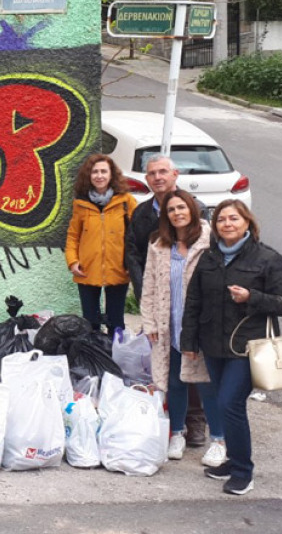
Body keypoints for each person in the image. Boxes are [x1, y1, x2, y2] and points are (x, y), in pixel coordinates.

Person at [181, 199, 282, 496]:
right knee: (221, 403)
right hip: (213, 343)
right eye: (221, 220)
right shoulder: (209, 257)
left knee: (231, 403)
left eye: (233, 218)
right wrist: (188, 341)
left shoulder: (269, 258)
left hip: (247, 347)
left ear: (247, 222)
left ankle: (243, 471)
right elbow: (194, 301)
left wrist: (252, 297)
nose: (227, 224)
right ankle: (232, 461)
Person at [124, 153, 209, 448]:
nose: (157, 177)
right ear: (146, 180)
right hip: (165, 306)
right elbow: (134, 252)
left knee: (197, 369)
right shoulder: (142, 213)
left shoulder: (197, 210)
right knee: (172, 370)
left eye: (163, 172)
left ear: (175, 175)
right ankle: (175, 427)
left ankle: (197, 422)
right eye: (151, 174)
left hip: (197, 312)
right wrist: (142, 290)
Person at [139, 190, 225, 467]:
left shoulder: (210, 241)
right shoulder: (159, 244)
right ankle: (177, 433)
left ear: (193, 209)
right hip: (169, 324)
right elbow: (149, 285)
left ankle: (219, 440)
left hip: (202, 326)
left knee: (206, 383)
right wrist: (150, 321)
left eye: (182, 208)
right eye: (171, 210)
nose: (177, 213)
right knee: (173, 382)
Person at [64, 153, 136, 336]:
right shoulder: (81, 203)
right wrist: (72, 261)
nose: (99, 175)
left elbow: (137, 235)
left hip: (119, 269)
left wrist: (132, 264)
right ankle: (94, 358)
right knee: (90, 322)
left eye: (104, 171)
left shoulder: (126, 201)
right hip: (87, 269)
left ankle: (115, 358)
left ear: (112, 175)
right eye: (94, 172)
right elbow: (73, 236)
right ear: (89, 176)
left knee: (116, 322)